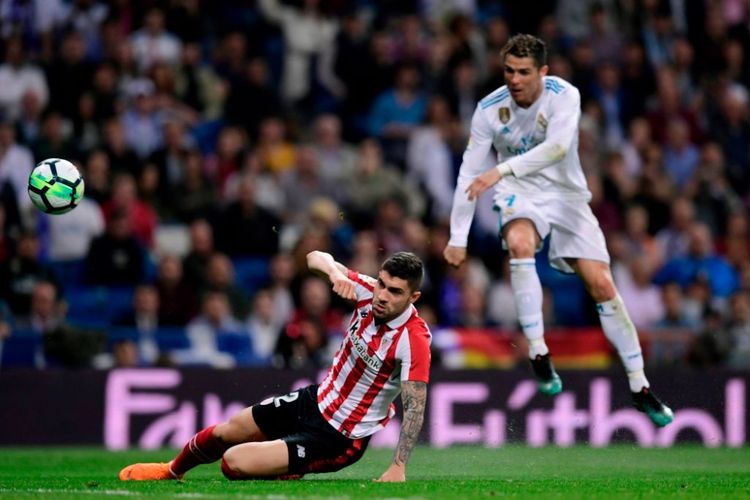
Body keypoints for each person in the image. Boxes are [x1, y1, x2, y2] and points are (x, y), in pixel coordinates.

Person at [443, 34, 673, 427]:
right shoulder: (488, 111)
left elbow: (558, 147)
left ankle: (639, 386)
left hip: (566, 195)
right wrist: (457, 236)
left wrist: (500, 169)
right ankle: (538, 352)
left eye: (524, 72)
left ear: (543, 72)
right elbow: (468, 172)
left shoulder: (565, 95)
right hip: (521, 192)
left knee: (602, 285)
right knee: (518, 243)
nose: (515, 80)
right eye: (509, 71)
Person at [119, 250, 431, 482]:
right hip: (314, 400)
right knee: (231, 430)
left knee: (233, 463)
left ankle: (289, 462)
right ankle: (171, 471)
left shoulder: (413, 339)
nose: (382, 296)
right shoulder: (366, 291)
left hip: (339, 437)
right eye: (381, 284)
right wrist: (335, 275)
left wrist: (398, 467)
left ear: (413, 297)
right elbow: (314, 257)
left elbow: (415, 406)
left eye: (395, 291)